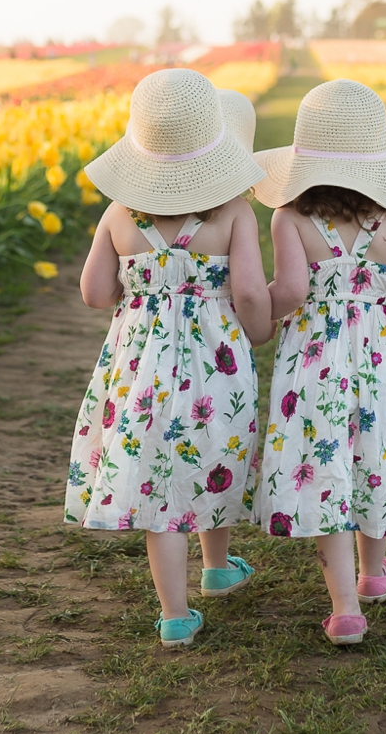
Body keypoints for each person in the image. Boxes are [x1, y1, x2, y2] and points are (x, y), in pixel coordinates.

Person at [67, 69, 272, 646]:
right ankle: (215, 567)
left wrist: (142, 288)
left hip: (141, 370)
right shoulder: (233, 214)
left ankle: (179, 610)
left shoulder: (119, 214)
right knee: (212, 455)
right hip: (215, 366)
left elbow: (94, 293)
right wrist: (258, 331)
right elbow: (250, 293)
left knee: (159, 479)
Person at [249, 78, 386, 644]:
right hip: (382, 356)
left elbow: (291, 290)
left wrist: (258, 317)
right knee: (374, 453)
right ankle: (373, 572)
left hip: (314, 358)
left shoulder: (290, 217)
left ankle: (345, 609)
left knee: (327, 465)